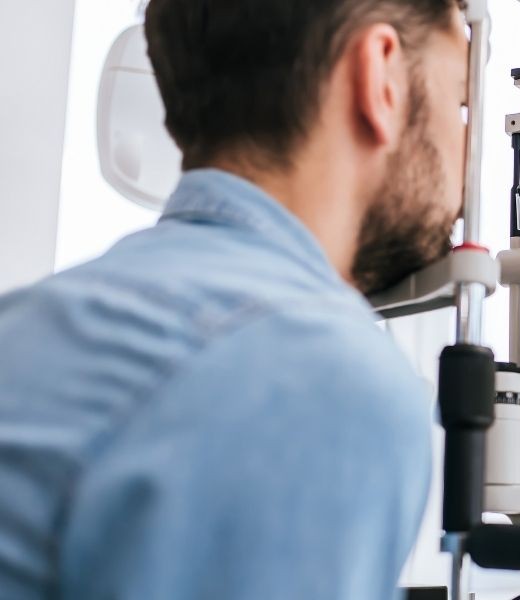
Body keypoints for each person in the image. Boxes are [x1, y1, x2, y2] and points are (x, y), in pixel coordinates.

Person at [0, 1, 468, 598]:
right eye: (460, 100)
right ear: (382, 79)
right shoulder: (318, 372)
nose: (467, 148)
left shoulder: (33, 322)